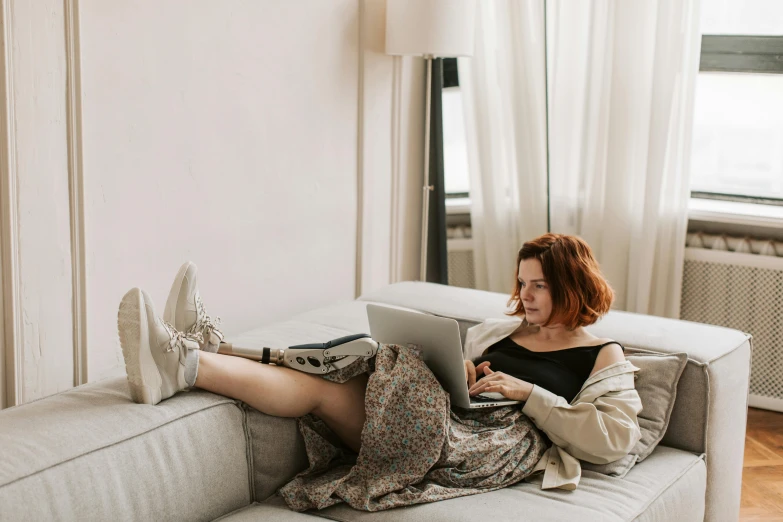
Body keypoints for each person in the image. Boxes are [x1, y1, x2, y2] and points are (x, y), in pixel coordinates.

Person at [117, 232, 642, 492]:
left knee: (372, 358)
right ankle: (195, 360)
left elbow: (613, 441)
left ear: (571, 285)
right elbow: (462, 376)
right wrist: (464, 371)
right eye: (522, 283)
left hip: (483, 445)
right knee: (329, 384)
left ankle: (202, 348)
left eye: (539, 285)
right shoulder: (500, 331)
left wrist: (529, 393)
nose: (524, 295)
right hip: (444, 414)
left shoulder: (602, 354)